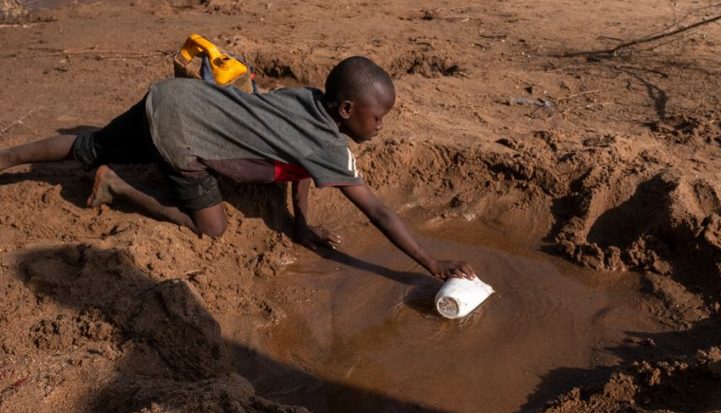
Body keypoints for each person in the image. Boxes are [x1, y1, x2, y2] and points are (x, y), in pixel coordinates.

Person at [0, 56, 476, 280]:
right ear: (348, 109)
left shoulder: (306, 99)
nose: (381, 128)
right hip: (184, 138)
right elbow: (380, 213)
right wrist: (432, 262)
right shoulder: (332, 147)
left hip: (170, 97)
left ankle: (9, 157)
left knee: (89, 144)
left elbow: (298, 165)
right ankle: (119, 188)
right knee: (212, 228)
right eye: (379, 118)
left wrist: (301, 223)